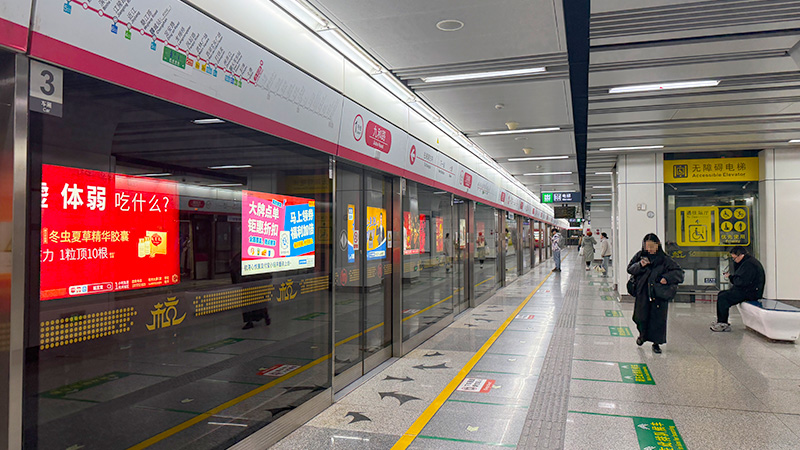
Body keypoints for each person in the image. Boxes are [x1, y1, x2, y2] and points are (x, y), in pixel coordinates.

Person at [627, 233, 684, 353]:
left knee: (657, 320)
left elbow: (679, 273)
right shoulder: (640, 256)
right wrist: (640, 265)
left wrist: (667, 278)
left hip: (658, 294)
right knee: (640, 317)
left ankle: (656, 343)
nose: (649, 249)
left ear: (658, 245)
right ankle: (642, 335)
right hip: (643, 293)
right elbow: (630, 268)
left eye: (652, 246)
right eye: (647, 246)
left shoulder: (664, 259)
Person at [710, 246, 765, 332]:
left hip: (751, 293)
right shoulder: (748, 262)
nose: (734, 260)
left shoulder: (749, 265)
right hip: (749, 290)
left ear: (740, 255)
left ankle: (722, 323)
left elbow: (741, 281)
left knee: (724, 297)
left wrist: (730, 277)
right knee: (722, 294)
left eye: (734, 258)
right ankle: (721, 321)